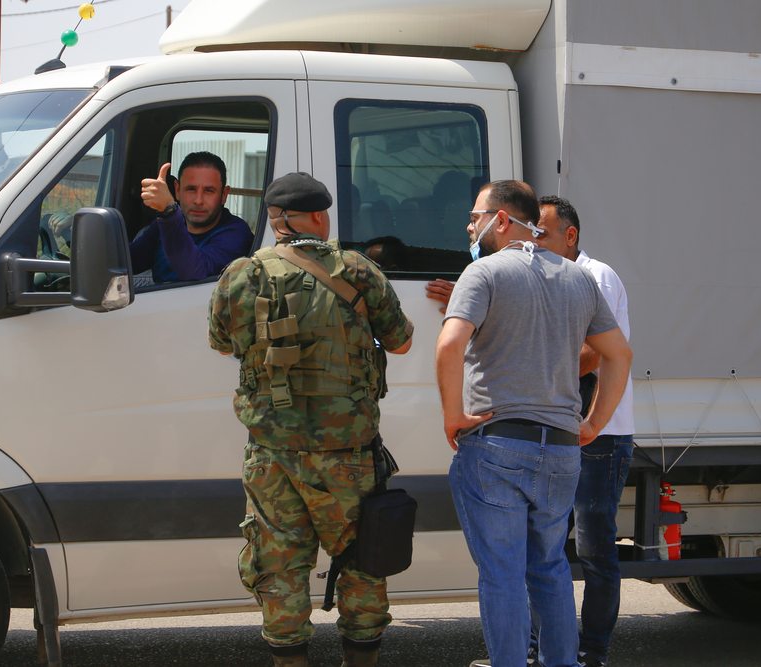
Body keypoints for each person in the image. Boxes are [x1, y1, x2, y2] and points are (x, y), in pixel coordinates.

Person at [208, 172, 414, 667]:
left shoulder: (241, 275)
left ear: (274, 221)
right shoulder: (358, 271)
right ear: (319, 218)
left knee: (279, 569)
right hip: (348, 457)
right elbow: (402, 340)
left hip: (273, 456)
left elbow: (221, 342)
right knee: (363, 565)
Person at [435, 180, 632, 667]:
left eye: (475, 216)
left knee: (502, 574)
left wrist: (453, 415)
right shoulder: (578, 278)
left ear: (502, 220)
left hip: (497, 445)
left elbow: (448, 345)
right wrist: (592, 423)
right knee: (549, 568)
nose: (470, 225)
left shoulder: (482, 274)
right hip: (563, 449)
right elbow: (620, 355)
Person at [534, 196, 634, 667]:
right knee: (545, 547)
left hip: (600, 435)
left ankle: (591, 651)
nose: (532, 242)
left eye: (541, 233)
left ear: (569, 235)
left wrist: (533, 381)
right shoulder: (548, 278)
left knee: (594, 551)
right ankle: (543, 650)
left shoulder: (596, 277)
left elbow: (595, 355)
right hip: (560, 430)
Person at [130, 151, 253, 282]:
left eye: (209, 191)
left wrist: (168, 211)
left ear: (224, 195)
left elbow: (196, 273)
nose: (198, 200)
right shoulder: (166, 224)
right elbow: (129, 262)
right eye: (191, 189)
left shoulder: (236, 233)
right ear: (177, 190)